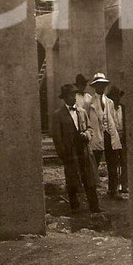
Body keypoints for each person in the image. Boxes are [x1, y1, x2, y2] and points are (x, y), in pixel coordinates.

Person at [49, 84, 102, 214]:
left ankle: (94, 207)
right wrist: (63, 155)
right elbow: (57, 137)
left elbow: (90, 129)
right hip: (70, 153)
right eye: (70, 95)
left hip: (84, 151)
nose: (73, 98)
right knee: (72, 180)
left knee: (89, 180)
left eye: (75, 95)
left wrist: (87, 134)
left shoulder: (82, 112)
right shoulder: (58, 115)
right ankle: (75, 207)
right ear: (65, 98)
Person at [89, 72, 123, 199]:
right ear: (95, 86)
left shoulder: (109, 102)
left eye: (103, 85)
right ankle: (92, 192)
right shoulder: (90, 102)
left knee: (113, 163)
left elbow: (112, 120)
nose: (101, 87)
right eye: (98, 85)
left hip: (109, 135)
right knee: (94, 164)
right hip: (97, 136)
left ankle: (113, 190)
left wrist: (114, 134)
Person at [108, 85, 128, 195]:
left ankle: (124, 185)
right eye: (114, 96)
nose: (116, 98)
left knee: (124, 162)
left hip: (123, 137)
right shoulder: (109, 110)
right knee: (113, 163)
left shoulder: (123, 108)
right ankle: (113, 188)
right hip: (113, 137)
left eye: (118, 96)